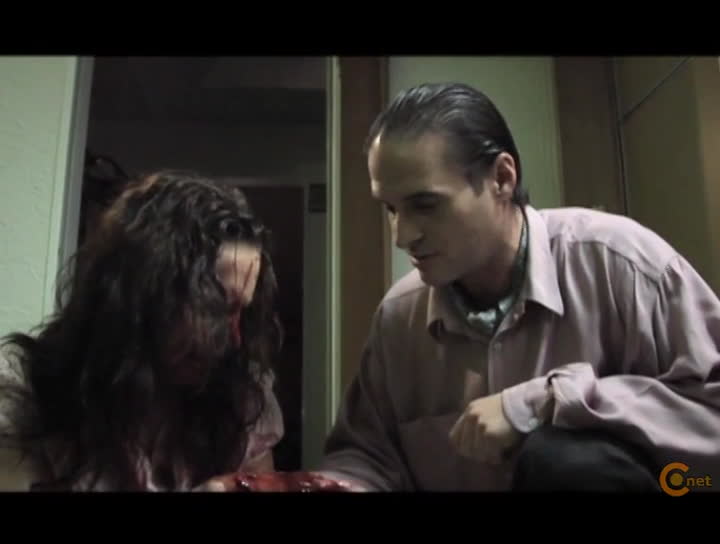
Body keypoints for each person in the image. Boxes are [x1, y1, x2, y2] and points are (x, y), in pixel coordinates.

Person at [317, 82, 720, 492]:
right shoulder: (398, 318)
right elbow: (367, 456)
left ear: (502, 178)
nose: (402, 237)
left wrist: (548, 401)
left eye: (425, 205)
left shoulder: (623, 264)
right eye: (391, 209)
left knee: (562, 458)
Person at [0, 170, 286, 491]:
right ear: (140, 293)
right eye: (214, 310)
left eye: (241, 313)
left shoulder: (243, 400)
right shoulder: (25, 394)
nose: (233, 339)